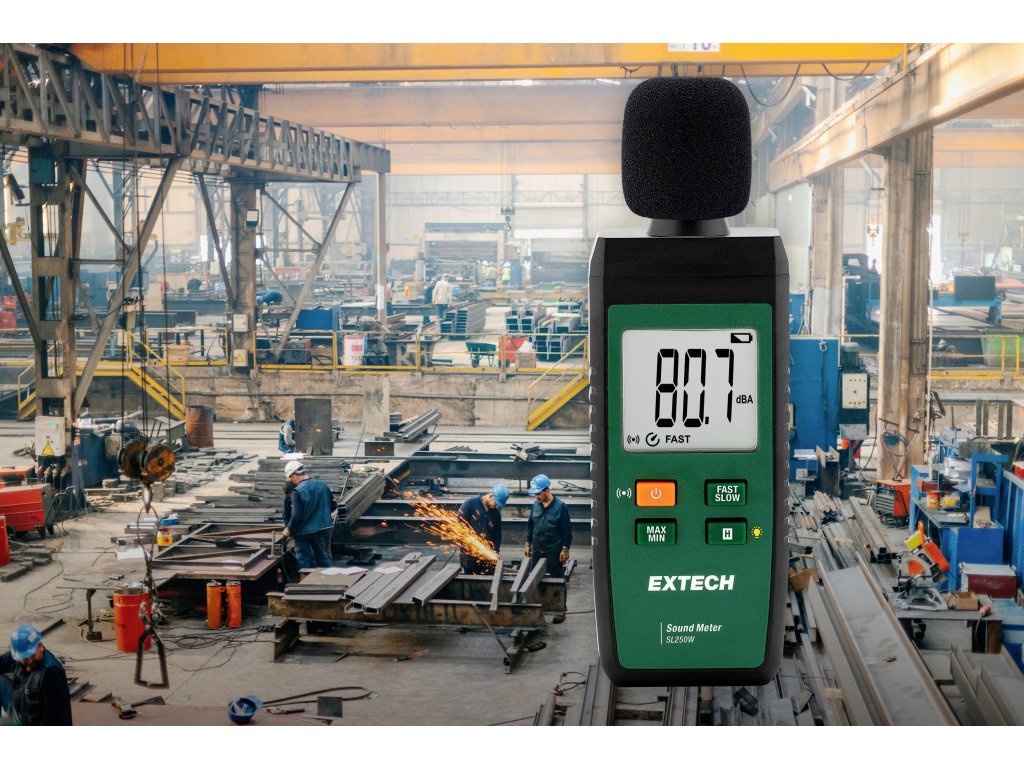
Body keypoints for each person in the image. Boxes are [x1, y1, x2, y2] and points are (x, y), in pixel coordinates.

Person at [0, 624, 73, 726]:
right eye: (25, 658)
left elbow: (51, 719)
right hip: (21, 703)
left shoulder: (51, 673)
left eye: (32, 655)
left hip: (31, 722)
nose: (29, 660)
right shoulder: (19, 656)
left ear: (41, 646)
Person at [282, 460, 334, 569]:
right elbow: (333, 505)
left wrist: (289, 528)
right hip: (321, 528)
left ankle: (304, 578)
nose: (291, 481)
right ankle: (328, 576)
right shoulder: (322, 485)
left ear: (294, 476)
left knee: (303, 557)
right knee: (322, 555)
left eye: (290, 478)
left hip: (303, 531)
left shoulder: (297, 491)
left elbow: (296, 515)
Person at [524, 474, 572, 578]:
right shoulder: (535, 505)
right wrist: (528, 543)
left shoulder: (560, 507)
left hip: (553, 551)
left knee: (556, 579)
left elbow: (566, 531)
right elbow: (531, 525)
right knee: (534, 578)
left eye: (538, 493)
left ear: (547, 490)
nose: (536, 497)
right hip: (537, 549)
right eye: (535, 494)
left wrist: (565, 549)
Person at [457, 484, 509, 575]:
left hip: (488, 556)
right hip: (470, 556)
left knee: (492, 579)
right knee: (471, 580)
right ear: (490, 496)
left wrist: (496, 551)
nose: (496, 507)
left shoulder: (496, 513)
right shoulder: (469, 504)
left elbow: (497, 535)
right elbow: (459, 526)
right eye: (496, 503)